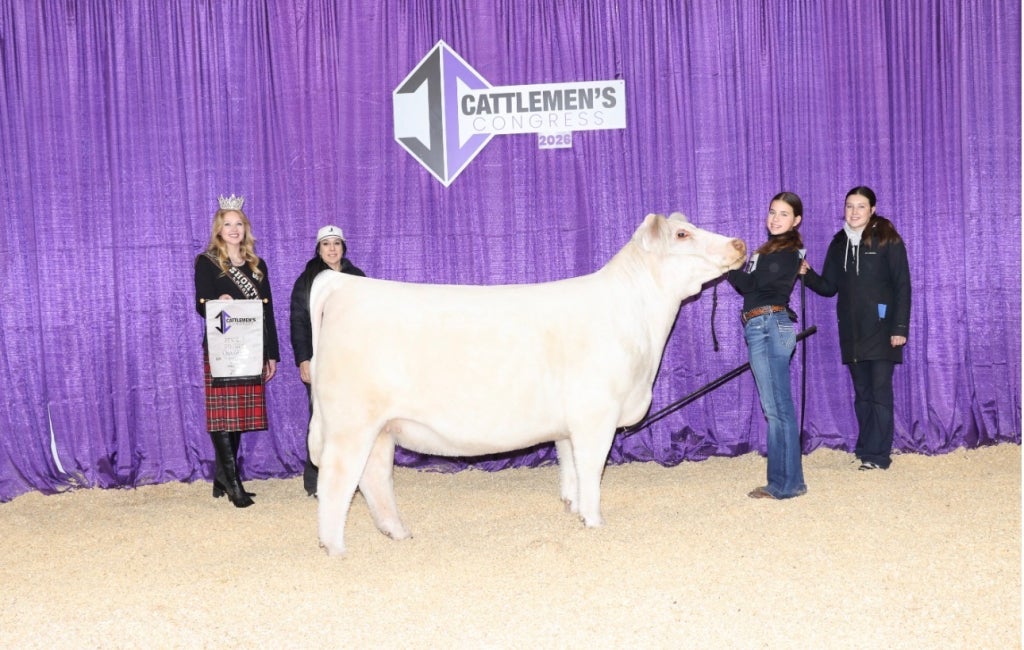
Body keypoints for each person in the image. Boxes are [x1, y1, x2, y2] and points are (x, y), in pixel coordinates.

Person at [800, 186, 910, 471]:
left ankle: (878, 455)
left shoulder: (888, 238)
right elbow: (829, 287)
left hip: (884, 329)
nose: (854, 212)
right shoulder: (838, 243)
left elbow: (902, 285)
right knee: (862, 393)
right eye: (849, 206)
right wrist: (807, 273)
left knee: (880, 391)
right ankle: (865, 448)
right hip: (852, 332)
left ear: (872, 209)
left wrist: (899, 327)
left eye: (861, 206)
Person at [194, 194, 280, 508]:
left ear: (246, 229)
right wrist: (220, 303)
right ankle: (233, 483)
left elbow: (268, 313)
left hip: (252, 347)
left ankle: (223, 476)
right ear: (219, 229)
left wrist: (271, 353)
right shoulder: (207, 261)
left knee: (239, 415)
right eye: (227, 224)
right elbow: (201, 303)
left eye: (239, 224)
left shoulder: (257, 266)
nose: (233, 229)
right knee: (223, 416)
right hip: (222, 347)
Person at [727, 191, 808, 500]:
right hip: (763, 325)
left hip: (769, 325)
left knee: (778, 410)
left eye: (784, 214)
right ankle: (786, 482)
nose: (775, 218)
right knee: (775, 409)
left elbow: (750, 285)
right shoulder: (770, 250)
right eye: (772, 212)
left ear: (796, 220)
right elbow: (750, 284)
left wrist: (728, 264)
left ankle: (784, 485)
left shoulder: (788, 252)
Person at [289, 225, 365, 497]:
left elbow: (369, 320)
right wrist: (303, 359)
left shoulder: (357, 277)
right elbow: (298, 321)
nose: (332, 249)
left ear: (343, 247)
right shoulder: (307, 280)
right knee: (320, 417)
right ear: (318, 249)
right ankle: (315, 480)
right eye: (326, 244)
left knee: (353, 419)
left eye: (336, 243)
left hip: (351, 360)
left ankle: (351, 477)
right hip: (320, 358)